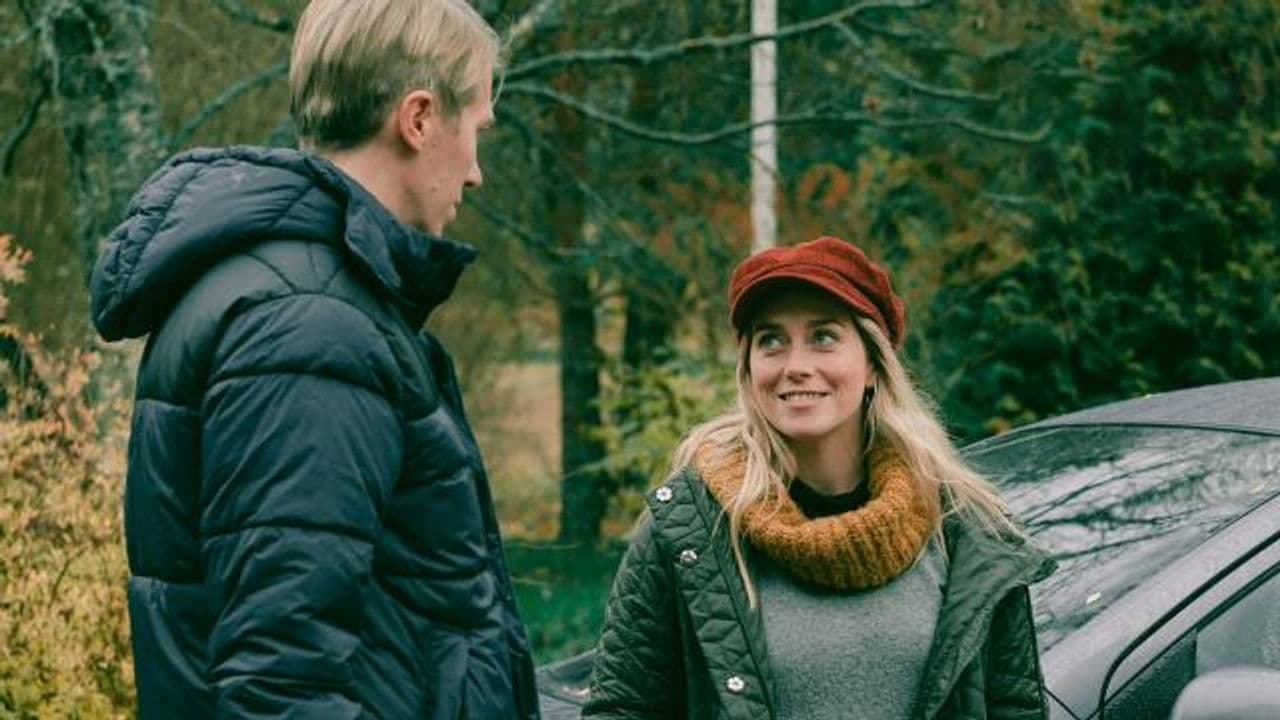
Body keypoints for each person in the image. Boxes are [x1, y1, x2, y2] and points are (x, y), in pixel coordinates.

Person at [88, 2, 539, 718]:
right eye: (475, 130)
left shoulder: (303, 294)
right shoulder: (312, 324)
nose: (476, 173)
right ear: (419, 119)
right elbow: (280, 682)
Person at [583, 236, 1056, 720]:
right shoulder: (692, 529)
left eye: (823, 337)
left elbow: (1015, 710)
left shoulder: (964, 528)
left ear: (872, 365)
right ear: (749, 369)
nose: (796, 367)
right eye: (771, 341)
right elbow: (621, 711)